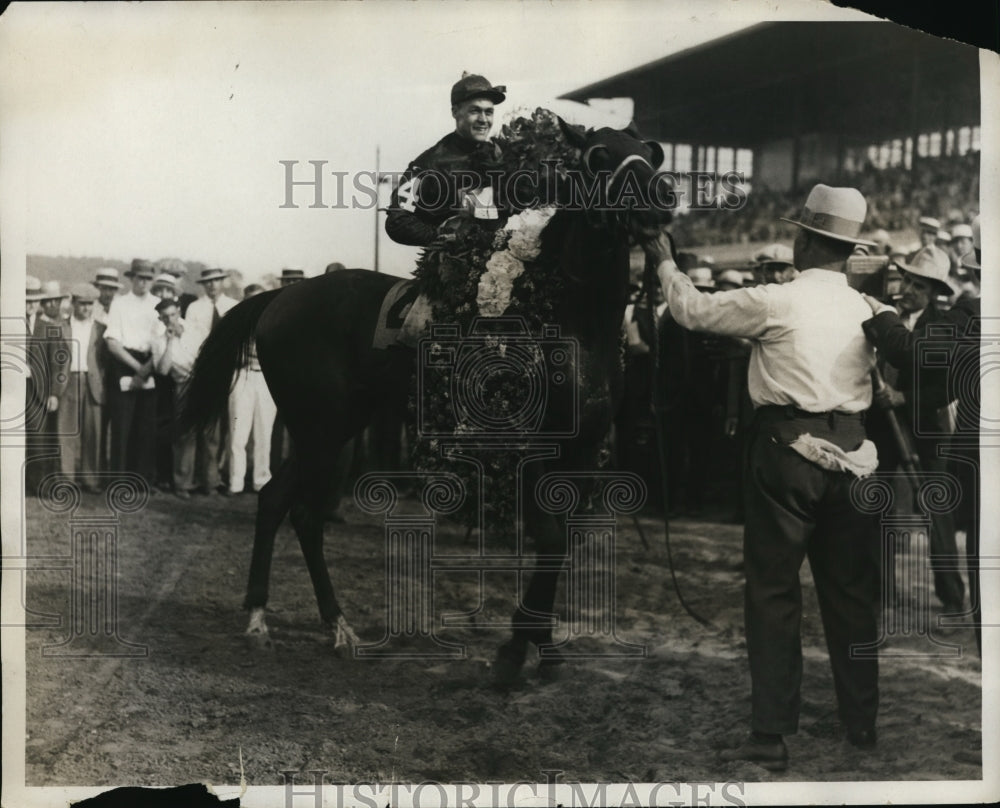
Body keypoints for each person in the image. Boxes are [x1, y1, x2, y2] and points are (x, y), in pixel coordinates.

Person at [644, 184, 883, 769]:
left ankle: (772, 732)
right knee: (850, 594)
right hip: (855, 451)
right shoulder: (869, 309)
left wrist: (666, 263)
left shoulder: (778, 301)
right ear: (848, 251)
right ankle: (862, 722)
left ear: (802, 240)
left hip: (787, 450)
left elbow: (693, 312)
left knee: (774, 592)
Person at [861, 241, 976, 622]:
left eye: (920, 287)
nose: (909, 291)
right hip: (882, 426)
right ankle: (881, 591)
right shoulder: (875, 320)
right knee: (880, 504)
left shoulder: (942, 327)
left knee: (936, 511)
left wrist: (903, 397)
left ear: (934, 295)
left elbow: (945, 386)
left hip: (927, 429)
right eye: (907, 281)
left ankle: (951, 596)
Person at [385, 72, 507, 248]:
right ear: (455, 112)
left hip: (502, 257)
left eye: (489, 112)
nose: (483, 120)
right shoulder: (428, 163)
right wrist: (442, 235)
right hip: (453, 264)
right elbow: (398, 219)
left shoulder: (501, 155)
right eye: (474, 111)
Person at [103, 258, 160, 486]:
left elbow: (162, 340)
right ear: (132, 279)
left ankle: (141, 480)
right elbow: (112, 342)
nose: (143, 283)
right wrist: (138, 370)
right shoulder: (120, 303)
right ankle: (118, 479)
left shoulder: (158, 303)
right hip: (125, 361)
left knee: (146, 426)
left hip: (151, 362)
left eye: (147, 279)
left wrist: (147, 369)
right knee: (122, 425)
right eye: (140, 278)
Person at [184, 268, 238, 494]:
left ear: (222, 282)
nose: (212, 285)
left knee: (229, 428)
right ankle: (205, 479)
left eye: (216, 281)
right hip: (202, 371)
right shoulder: (195, 308)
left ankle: (221, 477)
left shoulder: (233, 306)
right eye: (208, 282)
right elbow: (189, 340)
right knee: (207, 427)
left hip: (229, 371)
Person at [151, 297, 207, 499]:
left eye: (173, 314)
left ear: (179, 311)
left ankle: (207, 481)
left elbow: (206, 355)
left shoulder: (194, 329)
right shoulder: (158, 337)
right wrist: (170, 341)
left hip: (202, 380)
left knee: (209, 433)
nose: (170, 320)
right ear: (160, 318)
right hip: (181, 384)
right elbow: (163, 370)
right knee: (184, 434)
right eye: (165, 317)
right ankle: (182, 483)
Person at [225, 284, 277, 495]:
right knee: (238, 433)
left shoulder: (274, 322)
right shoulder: (236, 323)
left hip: (266, 379)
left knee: (264, 432)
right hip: (242, 377)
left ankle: (261, 481)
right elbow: (227, 353)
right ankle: (236, 482)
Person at [55, 284, 107, 492]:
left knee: (92, 432)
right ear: (74, 303)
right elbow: (55, 361)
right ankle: (66, 479)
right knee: (66, 432)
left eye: (90, 305)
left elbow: (105, 361)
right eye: (82, 304)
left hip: (92, 383)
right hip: (68, 382)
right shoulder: (62, 327)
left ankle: (90, 479)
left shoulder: (101, 329)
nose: (86, 309)